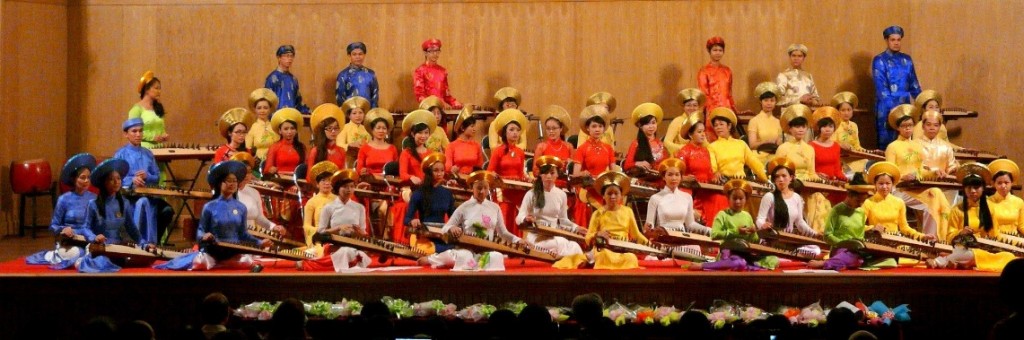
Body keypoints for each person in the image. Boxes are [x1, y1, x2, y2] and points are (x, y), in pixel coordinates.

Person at [424, 170, 518, 271]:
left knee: (497, 257)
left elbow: (503, 233)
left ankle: (475, 267)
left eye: (485, 188)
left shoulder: (495, 207)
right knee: (465, 257)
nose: (482, 191)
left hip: (485, 250)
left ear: (489, 188)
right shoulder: (464, 207)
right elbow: (445, 228)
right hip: (467, 250)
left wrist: (518, 240)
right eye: (479, 188)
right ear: (472, 188)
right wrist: (452, 228)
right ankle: (434, 259)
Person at [930, 163, 1016, 271]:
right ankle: (941, 262)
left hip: (983, 250)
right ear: (964, 189)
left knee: (1009, 257)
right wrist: (961, 232)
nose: (973, 191)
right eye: (969, 187)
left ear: (983, 188)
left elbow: (995, 235)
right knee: (967, 253)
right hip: (963, 247)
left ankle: (956, 262)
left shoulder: (990, 208)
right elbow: (949, 236)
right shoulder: (957, 210)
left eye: (976, 187)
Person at [885, 105, 951, 236]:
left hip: (916, 186)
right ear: (898, 128)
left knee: (936, 194)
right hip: (900, 188)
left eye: (910, 125)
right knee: (930, 204)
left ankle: (939, 238)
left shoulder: (917, 146)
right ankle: (929, 240)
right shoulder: (892, 147)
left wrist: (935, 172)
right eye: (904, 126)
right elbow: (889, 171)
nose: (908, 128)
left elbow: (921, 169)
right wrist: (903, 176)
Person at [196, 160, 272, 270]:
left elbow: (243, 234)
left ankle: (220, 265)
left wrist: (260, 242)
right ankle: (218, 263)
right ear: (220, 183)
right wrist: (204, 236)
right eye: (228, 181)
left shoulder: (241, 207)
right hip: (214, 249)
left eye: (235, 181)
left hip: (233, 250)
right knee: (201, 263)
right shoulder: (209, 206)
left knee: (247, 261)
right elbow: (200, 230)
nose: (232, 184)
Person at [689, 179, 778, 271]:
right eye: (735, 198)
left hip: (745, 252)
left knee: (773, 259)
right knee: (738, 262)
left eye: (741, 199)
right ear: (728, 198)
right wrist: (735, 231)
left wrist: (753, 232)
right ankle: (704, 265)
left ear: (746, 199)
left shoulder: (747, 216)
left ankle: (746, 265)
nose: (738, 202)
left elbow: (754, 240)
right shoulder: (722, 215)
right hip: (729, 252)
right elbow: (714, 234)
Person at [27, 153, 97, 266]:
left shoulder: (94, 198)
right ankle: (57, 256)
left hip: (89, 241)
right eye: (82, 178)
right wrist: (63, 229)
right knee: (77, 252)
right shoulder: (64, 199)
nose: (86, 181)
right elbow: (53, 226)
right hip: (69, 242)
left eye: (88, 178)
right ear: (74, 179)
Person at [113, 118, 172, 245]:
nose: (138, 134)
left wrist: (148, 176)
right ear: (126, 134)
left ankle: (154, 242)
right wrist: (132, 180)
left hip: (149, 196)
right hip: (129, 197)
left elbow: (156, 177)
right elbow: (115, 179)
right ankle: (139, 242)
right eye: (134, 131)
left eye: (140, 131)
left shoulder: (148, 154)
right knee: (140, 204)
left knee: (167, 211)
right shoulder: (120, 154)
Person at [516, 156, 585, 257]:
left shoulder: (561, 195)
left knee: (574, 246)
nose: (548, 176)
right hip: (536, 237)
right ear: (540, 175)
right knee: (559, 244)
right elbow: (519, 217)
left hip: (554, 234)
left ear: (557, 174)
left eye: (552, 173)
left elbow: (563, 221)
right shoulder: (531, 194)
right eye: (545, 173)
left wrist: (576, 228)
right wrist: (525, 219)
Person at [580, 171, 649, 270]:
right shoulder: (598, 213)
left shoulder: (628, 211)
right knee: (603, 256)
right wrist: (597, 234)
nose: (613, 196)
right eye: (609, 193)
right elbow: (587, 238)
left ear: (621, 195)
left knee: (631, 257)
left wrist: (651, 246)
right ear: (603, 196)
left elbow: (636, 235)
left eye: (616, 193)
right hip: (605, 248)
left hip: (622, 248)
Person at [807, 173, 874, 270]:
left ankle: (838, 263)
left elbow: (860, 236)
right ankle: (828, 263)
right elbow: (827, 235)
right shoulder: (837, 210)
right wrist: (844, 243)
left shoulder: (861, 212)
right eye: (858, 200)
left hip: (857, 251)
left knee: (888, 259)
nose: (860, 204)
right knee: (849, 257)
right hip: (841, 249)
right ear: (850, 195)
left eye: (863, 201)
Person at [872, 25, 922, 149]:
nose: (896, 43)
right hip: (886, 107)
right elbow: (881, 88)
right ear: (887, 40)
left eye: (898, 40)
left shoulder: (907, 60)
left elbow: (914, 84)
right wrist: (894, 110)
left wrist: (924, 103)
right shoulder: (879, 60)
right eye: (893, 40)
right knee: (887, 143)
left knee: (905, 142)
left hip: (905, 107)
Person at [860, 162, 936, 241]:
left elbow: (904, 228)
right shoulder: (868, 202)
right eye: (881, 183)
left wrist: (922, 236)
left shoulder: (899, 202)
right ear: (875, 184)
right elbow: (858, 225)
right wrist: (873, 229)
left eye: (888, 183)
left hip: (895, 241)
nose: (884, 187)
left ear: (892, 185)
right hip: (876, 241)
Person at [84, 158, 149, 250]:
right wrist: (94, 237)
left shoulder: (124, 203)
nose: (116, 182)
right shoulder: (93, 204)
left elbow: (132, 229)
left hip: (117, 248)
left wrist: (143, 243)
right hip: (99, 247)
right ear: (104, 183)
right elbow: (85, 228)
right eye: (111, 179)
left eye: (118, 178)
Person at [676, 111, 728, 224]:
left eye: (703, 131)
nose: (703, 134)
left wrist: (716, 176)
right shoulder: (684, 152)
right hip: (692, 190)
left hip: (705, 189)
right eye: (699, 132)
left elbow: (709, 175)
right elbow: (675, 174)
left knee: (721, 199)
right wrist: (684, 178)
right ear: (690, 135)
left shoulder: (705, 152)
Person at [392, 110, 435, 244]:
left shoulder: (431, 153)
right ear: (412, 134)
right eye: (420, 133)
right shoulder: (406, 153)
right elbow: (403, 174)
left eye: (426, 133)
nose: (423, 136)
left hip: (427, 188)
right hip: (411, 188)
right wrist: (411, 177)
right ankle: (411, 240)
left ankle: (433, 238)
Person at [488, 108, 530, 236]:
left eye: (517, 130)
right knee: (504, 215)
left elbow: (520, 173)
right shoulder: (498, 151)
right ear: (504, 132)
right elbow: (489, 172)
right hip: (502, 191)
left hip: (516, 191)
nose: (515, 133)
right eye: (511, 130)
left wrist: (526, 179)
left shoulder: (520, 152)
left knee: (516, 216)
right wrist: (495, 177)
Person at [572, 108, 617, 228]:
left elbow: (613, 171)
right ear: (588, 128)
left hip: (604, 187)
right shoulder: (582, 149)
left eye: (600, 126)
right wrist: (583, 173)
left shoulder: (608, 148)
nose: (597, 129)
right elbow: (575, 174)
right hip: (588, 188)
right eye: (594, 126)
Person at [406, 153, 458, 254]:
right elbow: (407, 218)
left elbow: (454, 218)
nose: (440, 174)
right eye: (436, 170)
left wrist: (455, 227)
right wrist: (412, 221)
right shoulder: (418, 193)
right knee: (425, 249)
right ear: (429, 172)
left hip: (442, 235)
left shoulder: (447, 193)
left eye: (442, 170)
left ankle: (438, 254)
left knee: (458, 249)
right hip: (425, 237)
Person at [645, 158, 710, 235]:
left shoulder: (687, 197)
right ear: (663, 177)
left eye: (677, 174)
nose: (674, 178)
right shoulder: (655, 198)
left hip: (682, 237)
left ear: (681, 177)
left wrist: (709, 230)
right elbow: (650, 224)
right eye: (670, 175)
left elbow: (690, 225)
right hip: (663, 236)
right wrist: (649, 227)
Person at [756, 158, 819, 237]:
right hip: (773, 236)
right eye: (777, 176)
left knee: (814, 249)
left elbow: (799, 222)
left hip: (789, 237)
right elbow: (760, 219)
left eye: (784, 176)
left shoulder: (797, 198)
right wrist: (763, 225)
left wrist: (815, 234)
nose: (781, 179)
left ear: (791, 178)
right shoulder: (769, 197)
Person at [706, 107, 769, 183]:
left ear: (729, 126)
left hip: (742, 182)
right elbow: (713, 168)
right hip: (723, 182)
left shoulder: (741, 144)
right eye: (716, 125)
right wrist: (715, 173)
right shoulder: (712, 146)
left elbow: (755, 163)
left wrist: (766, 179)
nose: (718, 127)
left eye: (721, 124)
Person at [230, 153, 286, 236]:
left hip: (252, 236)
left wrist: (273, 227)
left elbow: (259, 217)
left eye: (249, 172)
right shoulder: (228, 192)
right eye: (243, 171)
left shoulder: (254, 193)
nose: (247, 175)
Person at [698, 36, 734, 142]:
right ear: (709, 51)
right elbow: (703, 95)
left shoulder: (727, 71)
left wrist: (733, 110)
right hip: (711, 109)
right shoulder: (703, 71)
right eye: (714, 50)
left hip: (726, 108)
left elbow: (729, 92)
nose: (717, 53)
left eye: (720, 50)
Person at [810, 106, 847, 205]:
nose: (827, 129)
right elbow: (809, 169)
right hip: (818, 183)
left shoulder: (836, 146)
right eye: (824, 126)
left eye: (830, 126)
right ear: (819, 128)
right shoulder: (811, 146)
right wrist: (817, 175)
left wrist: (845, 181)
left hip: (833, 183)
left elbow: (837, 169)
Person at [413, 38, 461, 109]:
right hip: (427, 110)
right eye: (431, 51)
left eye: (437, 51)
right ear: (425, 53)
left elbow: (446, 95)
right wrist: (432, 106)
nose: (435, 54)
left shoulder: (442, 71)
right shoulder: (420, 71)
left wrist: (457, 104)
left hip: (440, 111)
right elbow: (419, 95)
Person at [775, 104, 819, 180]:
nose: (801, 130)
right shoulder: (783, 148)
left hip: (808, 184)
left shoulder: (810, 149)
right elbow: (778, 173)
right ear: (790, 129)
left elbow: (812, 173)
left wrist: (824, 183)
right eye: (797, 127)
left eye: (803, 127)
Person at [303, 161, 339, 249]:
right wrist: (322, 231)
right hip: (320, 238)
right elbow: (306, 226)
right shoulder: (311, 202)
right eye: (323, 180)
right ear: (317, 184)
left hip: (338, 238)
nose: (327, 183)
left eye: (329, 180)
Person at [128, 71, 169, 149]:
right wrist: (152, 137)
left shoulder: (158, 107)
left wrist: (164, 135)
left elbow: (162, 128)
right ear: (147, 89)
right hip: (144, 150)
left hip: (160, 149)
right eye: (156, 88)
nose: (159, 91)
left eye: (160, 89)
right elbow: (132, 132)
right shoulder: (136, 109)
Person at [623, 103, 668, 173]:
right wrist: (638, 163)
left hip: (659, 178)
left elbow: (666, 164)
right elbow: (626, 165)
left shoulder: (660, 144)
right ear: (640, 126)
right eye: (647, 124)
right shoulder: (636, 144)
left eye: (653, 123)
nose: (651, 126)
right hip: (643, 180)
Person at [264, 45, 309, 113]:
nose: (290, 59)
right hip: (276, 118)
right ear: (279, 58)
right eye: (287, 56)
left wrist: (308, 111)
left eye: (291, 56)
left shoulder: (293, 79)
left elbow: (298, 101)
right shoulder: (272, 78)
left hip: (291, 117)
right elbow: (267, 101)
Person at [747, 82, 784, 163]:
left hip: (774, 156)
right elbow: (752, 145)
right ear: (761, 101)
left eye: (772, 100)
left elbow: (779, 144)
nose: (769, 103)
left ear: (775, 102)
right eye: (766, 100)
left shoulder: (778, 122)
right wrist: (766, 142)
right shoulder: (754, 121)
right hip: (758, 156)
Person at [263, 108, 306, 176]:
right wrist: (271, 169)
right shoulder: (274, 147)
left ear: (296, 130)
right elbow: (267, 170)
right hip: (279, 181)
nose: (289, 132)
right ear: (280, 131)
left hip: (296, 181)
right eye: (286, 129)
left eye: (292, 128)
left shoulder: (301, 147)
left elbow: (305, 167)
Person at [335, 42, 379, 108]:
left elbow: (375, 95)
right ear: (349, 56)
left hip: (368, 113)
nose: (357, 57)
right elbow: (340, 98)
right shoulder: (343, 75)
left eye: (360, 54)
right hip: (350, 113)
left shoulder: (371, 74)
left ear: (364, 55)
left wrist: (372, 112)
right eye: (354, 54)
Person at [356, 108, 398, 176]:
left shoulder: (392, 148)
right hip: (369, 181)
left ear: (387, 131)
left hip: (388, 182)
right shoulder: (364, 148)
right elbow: (359, 169)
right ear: (372, 130)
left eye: (384, 128)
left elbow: (396, 169)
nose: (381, 131)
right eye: (378, 128)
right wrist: (362, 171)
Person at [532, 105, 574, 174]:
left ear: (561, 128)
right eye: (548, 128)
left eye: (554, 128)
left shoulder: (569, 146)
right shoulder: (541, 147)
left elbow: (574, 170)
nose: (551, 131)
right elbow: (535, 170)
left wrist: (570, 164)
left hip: (564, 182)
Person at [664, 88, 706, 156]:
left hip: (696, 156)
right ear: (684, 107)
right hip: (680, 156)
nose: (692, 108)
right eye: (688, 105)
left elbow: (704, 143)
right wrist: (686, 149)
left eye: (695, 105)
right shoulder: (677, 121)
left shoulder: (699, 122)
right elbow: (666, 142)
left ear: (698, 107)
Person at [987, 159, 1024, 236]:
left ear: (1012, 183)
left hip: (1014, 240)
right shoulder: (987, 202)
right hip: (993, 241)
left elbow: (1022, 225)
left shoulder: (1019, 202)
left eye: (1006, 182)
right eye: (999, 183)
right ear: (994, 184)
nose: (1003, 186)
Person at [306, 103, 346, 171]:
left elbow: (343, 173)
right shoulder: (315, 151)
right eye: (329, 128)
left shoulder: (341, 151)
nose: (333, 131)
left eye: (336, 128)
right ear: (323, 130)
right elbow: (310, 176)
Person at [445, 107, 484, 175]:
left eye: (475, 126)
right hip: (457, 178)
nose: (474, 129)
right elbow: (448, 167)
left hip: (473, 179)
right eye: (472, 126)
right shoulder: (451, 146)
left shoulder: (476, 145)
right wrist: (452, 170)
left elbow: (479, 166)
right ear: (462, 128)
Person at [245, 88, 280, 160]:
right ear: (255, 110)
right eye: (259, 108)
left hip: (275, 159)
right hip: (258, 161)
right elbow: (248, 148)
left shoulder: (274, 126)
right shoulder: (253, 127)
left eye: (265, 108)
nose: (262, 111)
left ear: (270, 109)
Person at [337, 96, 373, 167]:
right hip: (349, 160)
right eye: (354, 113)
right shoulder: (344, 128)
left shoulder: (367, 129)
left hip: (365, 160)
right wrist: (350, 145)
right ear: (349, 115)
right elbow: (339, 145)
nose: (358, 116)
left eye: (360, 113)